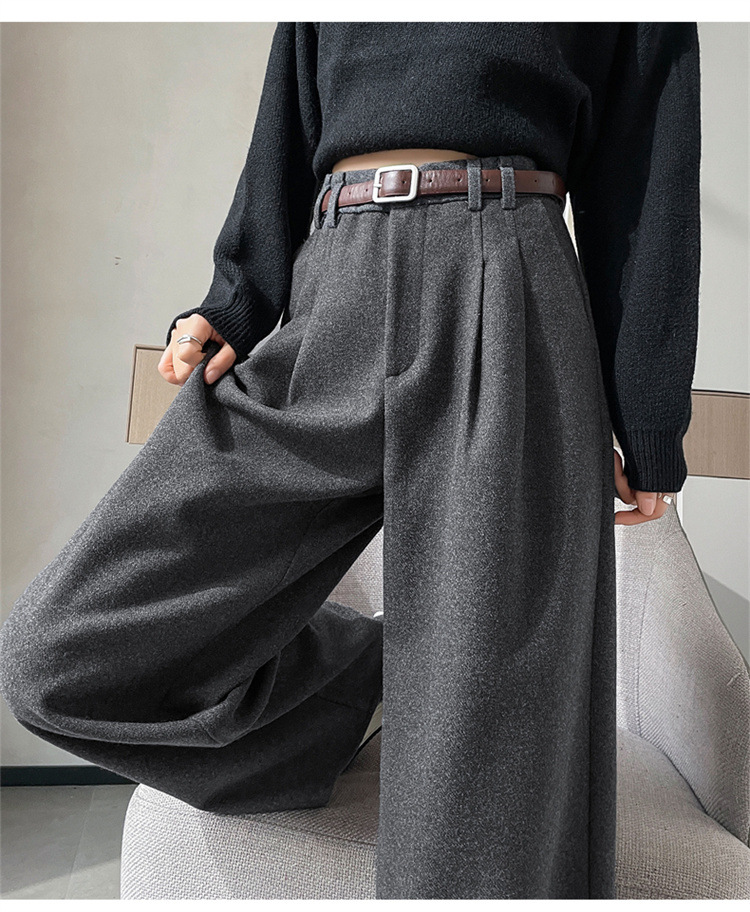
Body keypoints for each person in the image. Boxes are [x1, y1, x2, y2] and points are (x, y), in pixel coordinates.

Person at [0, 22, 700, 901]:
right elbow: (287, 119)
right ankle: (361, 684)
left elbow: (648, 171)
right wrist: (239, 296)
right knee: (57, 659)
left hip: (509, 278)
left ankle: (447, 685)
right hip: (333, 276)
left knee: (486, 795)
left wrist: (648, 416)